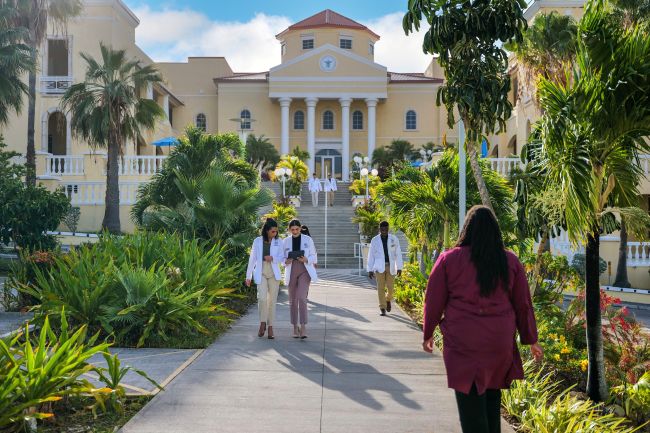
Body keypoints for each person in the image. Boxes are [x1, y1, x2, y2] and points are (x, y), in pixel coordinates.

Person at [422, 205, 543, 433]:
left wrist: (428, 332)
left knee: (471, 413)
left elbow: (434, 299)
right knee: (490, 400)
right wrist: (531, 339)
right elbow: (523, 304)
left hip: (463, 345)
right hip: (498, 345)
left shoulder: (449, 259)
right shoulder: (510, 261)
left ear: (466, 229)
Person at [245, 218, 284, 339]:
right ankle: (262, 323)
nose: (275, 234)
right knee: (262, 298)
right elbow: (252, 259)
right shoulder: (257, 241)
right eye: (273, 231)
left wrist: (273, 258)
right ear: (267, 230)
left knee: (272, 301)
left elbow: (282, 257)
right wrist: (248, 276)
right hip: (261, 271)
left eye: (276, 231)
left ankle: (271, 326)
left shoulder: (279, 241)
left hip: (273, 273)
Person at [283, 219, 318, 338]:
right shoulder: (285, 241)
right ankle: (294, 327)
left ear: (300, 228)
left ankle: (303, 327)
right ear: (289, 230)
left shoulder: (308, 239)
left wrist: (307, 259)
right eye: (292, 230)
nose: (294, 231)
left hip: (304, 270)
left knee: (302, 298)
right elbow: (281, 258)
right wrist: (286, 261)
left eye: (297, 229)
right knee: (293, 300)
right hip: (291, 269)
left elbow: (314, 255)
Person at [367, 221, 403, 316]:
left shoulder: (394, 239)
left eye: (386, 229)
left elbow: (398, 253)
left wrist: (399, 267)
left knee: (391, 288)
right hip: (379, 267)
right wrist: (370, 269)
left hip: (391, 266)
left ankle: (388, 299)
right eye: (382, 229)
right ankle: (382, 307)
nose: (384, 231)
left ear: (388, 229)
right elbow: (371, 255)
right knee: (380, 288)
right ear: (379, 229)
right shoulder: (375, 240)